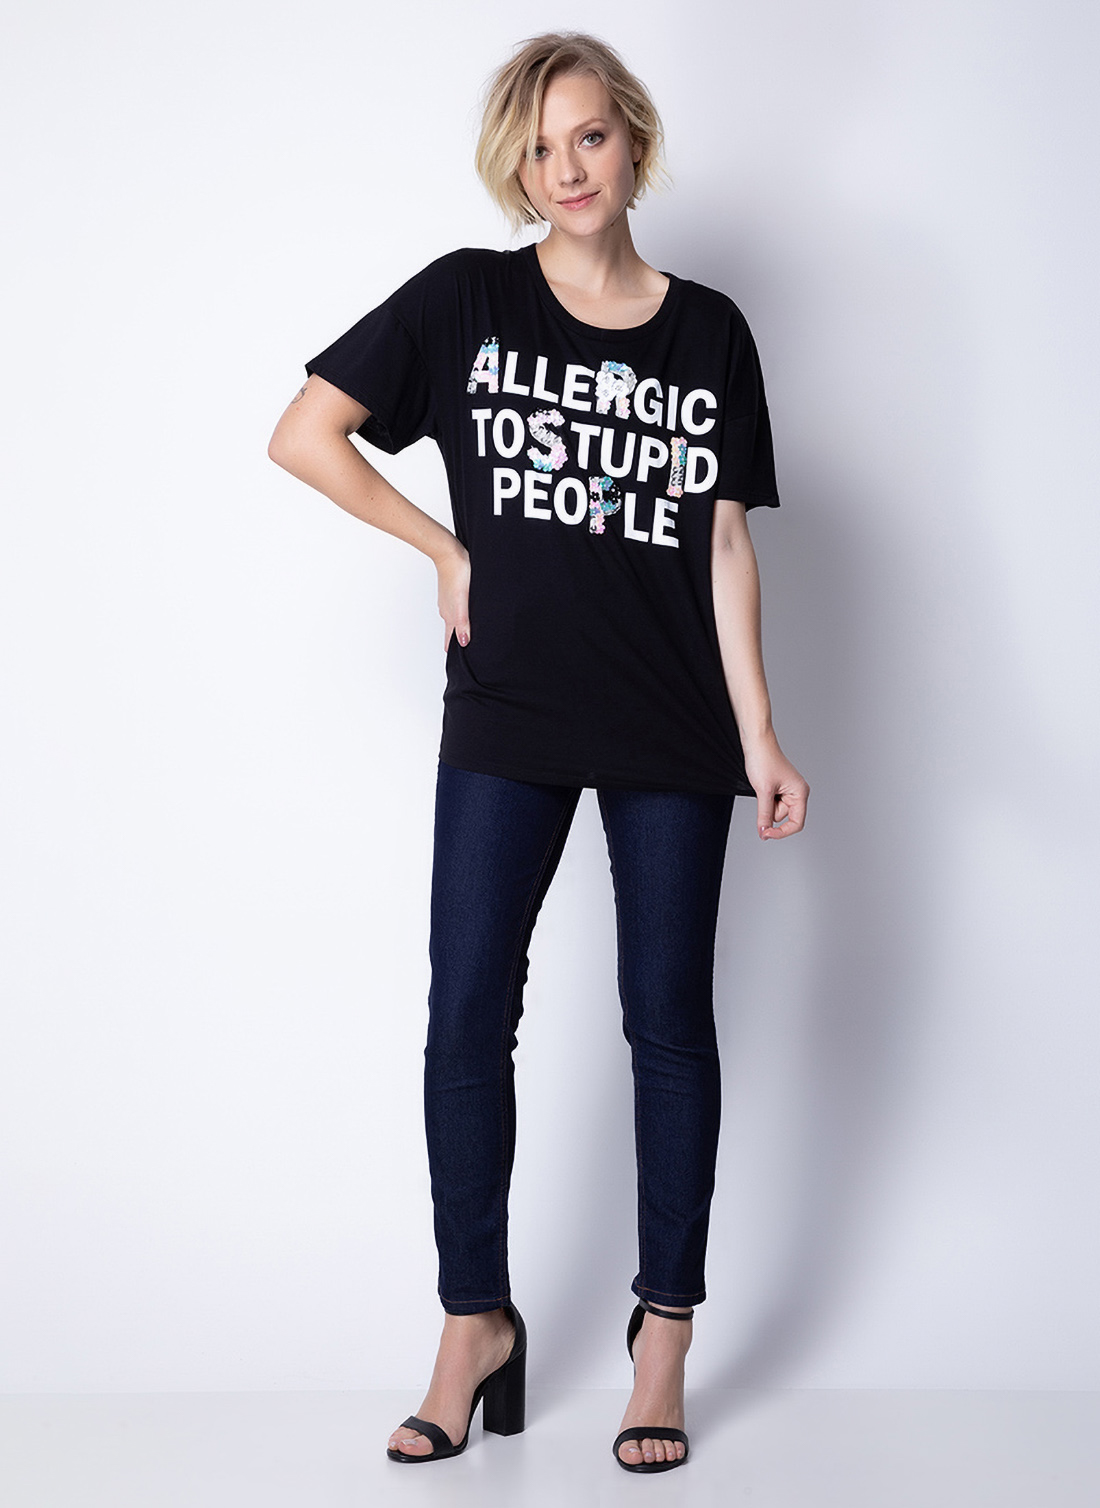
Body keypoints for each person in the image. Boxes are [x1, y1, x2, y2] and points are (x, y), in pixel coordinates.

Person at [268, 31, 808, 1475]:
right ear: (514, 167)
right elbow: (306, 434)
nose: (567, 169)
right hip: (507, 710)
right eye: (539, 147)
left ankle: (664, 1334)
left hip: (672, 723)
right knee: (466, 1016)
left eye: (590, 137)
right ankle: (474, 1325)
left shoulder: (712, 332)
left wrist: (761, 733)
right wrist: (444, 549)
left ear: (634, 140)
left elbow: (723, 542)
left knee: (668, 1022)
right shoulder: (468, 300)